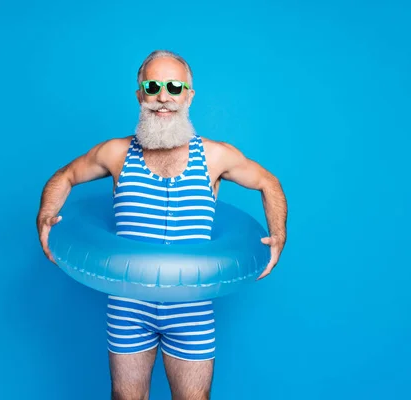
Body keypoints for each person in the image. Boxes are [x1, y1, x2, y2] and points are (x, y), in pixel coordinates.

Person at [36, 50, 288, 400]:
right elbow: (64, 176)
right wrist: (46, 216)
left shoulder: (215, 156)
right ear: (140, 93)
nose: (163, 97)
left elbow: (268, 183)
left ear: (189, 95)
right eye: (153, 86)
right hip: (129, 305)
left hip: (192, 308)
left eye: (174, 86)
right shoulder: (116, 153)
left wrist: (278, 235)